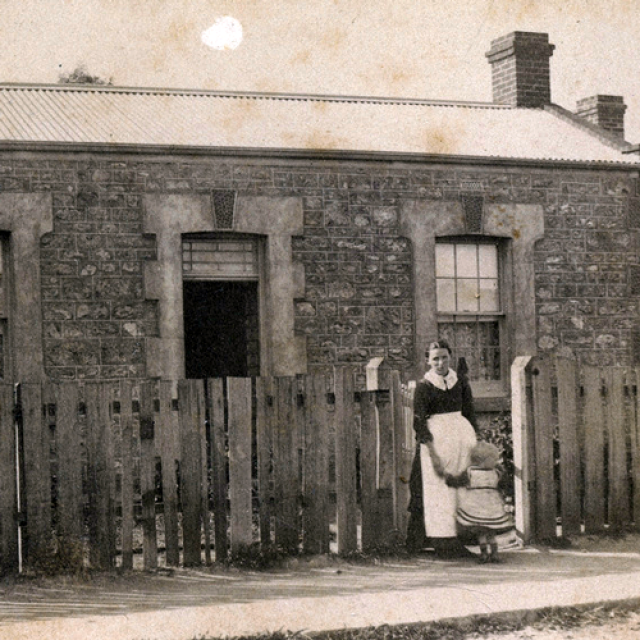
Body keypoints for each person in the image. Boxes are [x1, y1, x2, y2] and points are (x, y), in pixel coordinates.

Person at [406, 340, 478, 559]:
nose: (440, 362)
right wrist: (433, 454)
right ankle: (430, 541)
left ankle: (458, 539)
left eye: (444, 357)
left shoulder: (460, 383)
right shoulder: (424, 386)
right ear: (428, 360)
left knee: (459, 488)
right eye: (435, 358)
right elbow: (419, 422)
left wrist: (475, 443)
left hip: (460, 442)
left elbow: (470, 414)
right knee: (432, 490)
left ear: (450, 357)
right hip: (435, 444)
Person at [445, 441, 514, 563]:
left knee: (489, 530)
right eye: (493, 459)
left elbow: (504, 484)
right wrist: (450, 479)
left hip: (486, 504)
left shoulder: (493, 471)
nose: (495, 462)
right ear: (482, 460)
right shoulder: (472, 471)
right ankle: (485, 553)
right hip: (481, 504)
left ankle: (493, 553)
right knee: (483, 530)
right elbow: (459, 481)